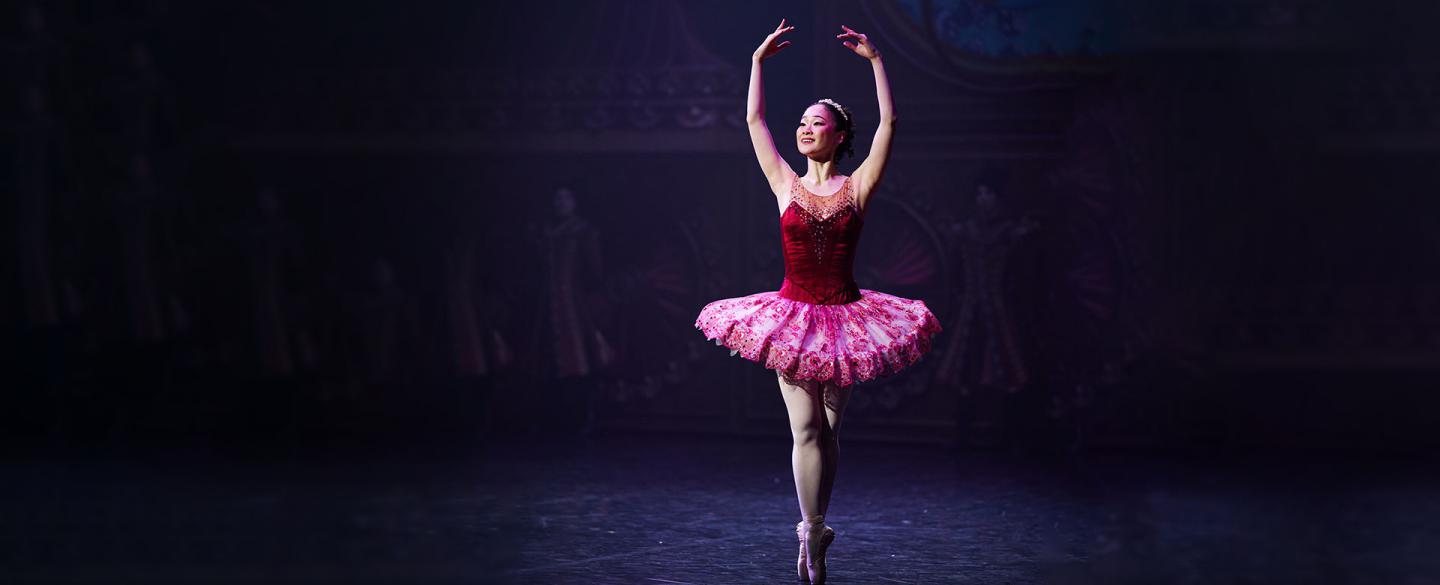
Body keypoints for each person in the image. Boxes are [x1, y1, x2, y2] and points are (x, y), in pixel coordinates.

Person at [693, 19, 941, 584]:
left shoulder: (857, 186)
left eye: (816, 123)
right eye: (802, 122)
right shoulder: (784, 182)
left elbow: (890, 124)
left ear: (837, 135)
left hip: (848, 320)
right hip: (794, 318)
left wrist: (878, 62)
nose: (805, 129)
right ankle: (809, 531)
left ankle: (821, 524)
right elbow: (754, 121)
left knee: (828, 433)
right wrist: (756, 63)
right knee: (805, 430)